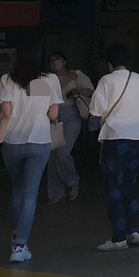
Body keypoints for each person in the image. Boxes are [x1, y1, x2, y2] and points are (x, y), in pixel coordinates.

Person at [0, 50, 62, 263]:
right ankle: (20, 245)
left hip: (13, 142)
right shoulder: (50, 80)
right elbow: (53, 115)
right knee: (30, 194)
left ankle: (16, 234)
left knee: (18, 189)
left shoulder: (7, 80)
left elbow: (5, 115)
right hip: (39, 141)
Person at [88, 45, 139, 252]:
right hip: (138, 138)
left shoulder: (106, 81)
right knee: (131, 184)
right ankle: (133, 230)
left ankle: (118, 237)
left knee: (114, 187)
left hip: (115, 138)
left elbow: (96, 110)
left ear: (109, 64)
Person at [46, 51, 93, 204]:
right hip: (53, 116)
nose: (54, 62)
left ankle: (73, 181)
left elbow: (90, 91)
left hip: (72, 115)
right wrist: (67, 80)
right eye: (52, 60)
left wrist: (76, 90)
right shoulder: (47, 78)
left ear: (65, 61)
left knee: (63, 152)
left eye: (58, 59)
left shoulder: (77, 74)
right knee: (52, 156)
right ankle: (55, 194)